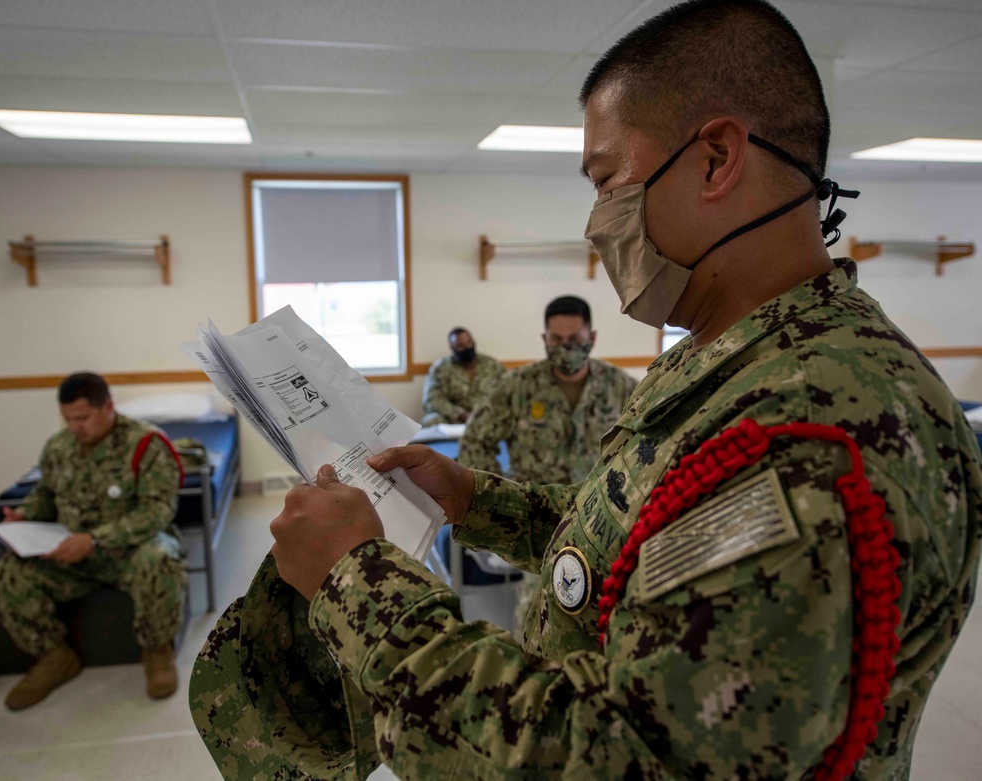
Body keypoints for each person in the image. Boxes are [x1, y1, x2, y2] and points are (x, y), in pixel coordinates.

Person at [191, 2, 982, 779]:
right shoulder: (729, 358)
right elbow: (634, 541)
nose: (597, 221)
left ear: (715, 159)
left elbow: (622, 757)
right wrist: (473, 498)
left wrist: (355, 573)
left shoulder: (808, 433)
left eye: (608, 181)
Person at [0, 372, 186, 710]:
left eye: (82, 418)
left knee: (161, 558)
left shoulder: (146, 444)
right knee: (4, 574)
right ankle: (54, 656)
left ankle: (157, 651)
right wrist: (26, 516)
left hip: (128, 551)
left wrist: (94, 540)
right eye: (67, 419)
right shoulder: (58, 447)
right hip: (70, 556)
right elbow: (45, 496)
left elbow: (157, 511)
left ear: (108, 406)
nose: (74, 427)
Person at [458, 295, 636, 484]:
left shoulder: (621, 387)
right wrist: (498, 493)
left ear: (592, 338)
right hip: (534, 505)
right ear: (545, 339)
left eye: (575, 338)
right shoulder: (516, 386)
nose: (565, 347)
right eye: (556, 339)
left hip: (599, 503)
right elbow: (474, 441)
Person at [420, 327, 505, 426]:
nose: (466, 348)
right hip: (453, 418)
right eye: (460, 346)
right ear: (452, 348)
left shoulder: (492, 365)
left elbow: (508, 390)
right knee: (430, 421)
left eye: (469, 343)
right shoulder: (440, 368)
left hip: (486, 416)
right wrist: (460, 414)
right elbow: (432, 400)